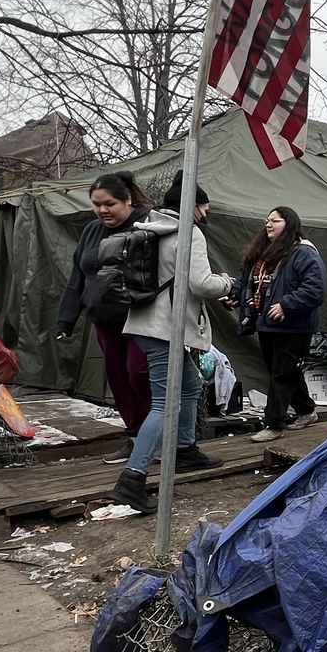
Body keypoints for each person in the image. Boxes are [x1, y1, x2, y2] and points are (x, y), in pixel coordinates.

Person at [109, 186, 236, 511]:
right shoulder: (189, 233)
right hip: (166, 327)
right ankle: (132, 478)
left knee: (190, 385)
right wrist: (226, 282)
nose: (204, 214)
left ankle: (184, 450)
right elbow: (200, 284)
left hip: (146, 322)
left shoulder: (150, 225)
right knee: (165, 403)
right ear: (192, 206)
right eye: (203, 208)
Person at [56, 172, 154, 464]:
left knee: (139, 372)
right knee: (119, 378)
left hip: (141, 316)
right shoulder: (91, 231)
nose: (102, 210)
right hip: (104, 319)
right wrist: (66, 319)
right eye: (96, 205)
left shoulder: (148, 224)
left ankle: (159, 434)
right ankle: (136, 436)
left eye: (109, 204)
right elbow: (78, 275)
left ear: (127, 199)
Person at [235, 206, 327, 444]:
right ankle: (306, 410)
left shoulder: (304, 253)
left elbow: (315, 289)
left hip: (293, 326)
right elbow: (248, 280)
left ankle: (273, 424)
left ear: (290, 224)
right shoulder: (265, 253)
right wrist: (235, 294)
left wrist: (287, 305)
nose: (268, 225)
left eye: (275, 221)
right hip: (267, 324)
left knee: (282, 374)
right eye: (267, 221)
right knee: (285, 371)